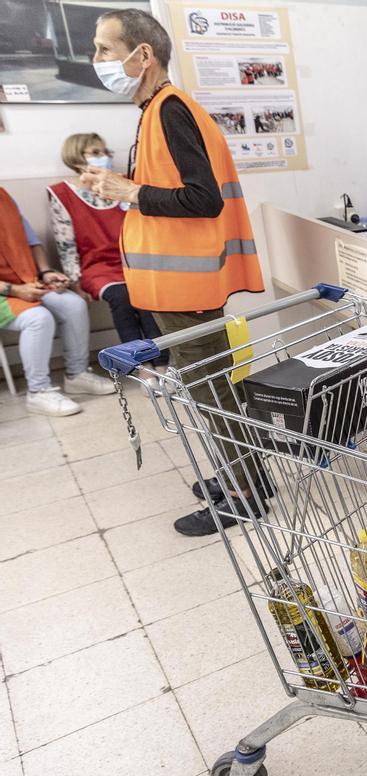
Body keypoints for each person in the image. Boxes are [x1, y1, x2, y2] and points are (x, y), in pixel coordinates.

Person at [82, 8, 266, 537]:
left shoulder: (168, 109)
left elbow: (202, 199)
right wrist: (124, 185)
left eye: (105, 50)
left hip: (185, 287)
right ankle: (248, 476)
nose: (96, 61)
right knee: (215, 391)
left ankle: (243, 495)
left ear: (143, 54)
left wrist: (129, 191)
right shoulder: (156, 111)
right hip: (172, 285)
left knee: (213, 394)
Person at [48, 132, 171, 377]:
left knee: (146, 299)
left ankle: (163, 365)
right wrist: (75, 282)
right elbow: (65, 244)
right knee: (123, 297)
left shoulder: (120, 183)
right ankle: (140, 368)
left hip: (133, 260)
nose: (103, 157)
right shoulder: (61, 194)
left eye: (105, 152)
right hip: (97, 267)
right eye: (95, 153)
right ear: (76, 157)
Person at [0, 187, 116, 415]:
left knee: (73, 304)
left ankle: (77, 374)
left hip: (27, 281)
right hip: (7, 290)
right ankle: (38, 392)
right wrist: (15, 290)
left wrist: (45, 272)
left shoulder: (4, 196)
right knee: (38, 319)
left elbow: (31, 242)